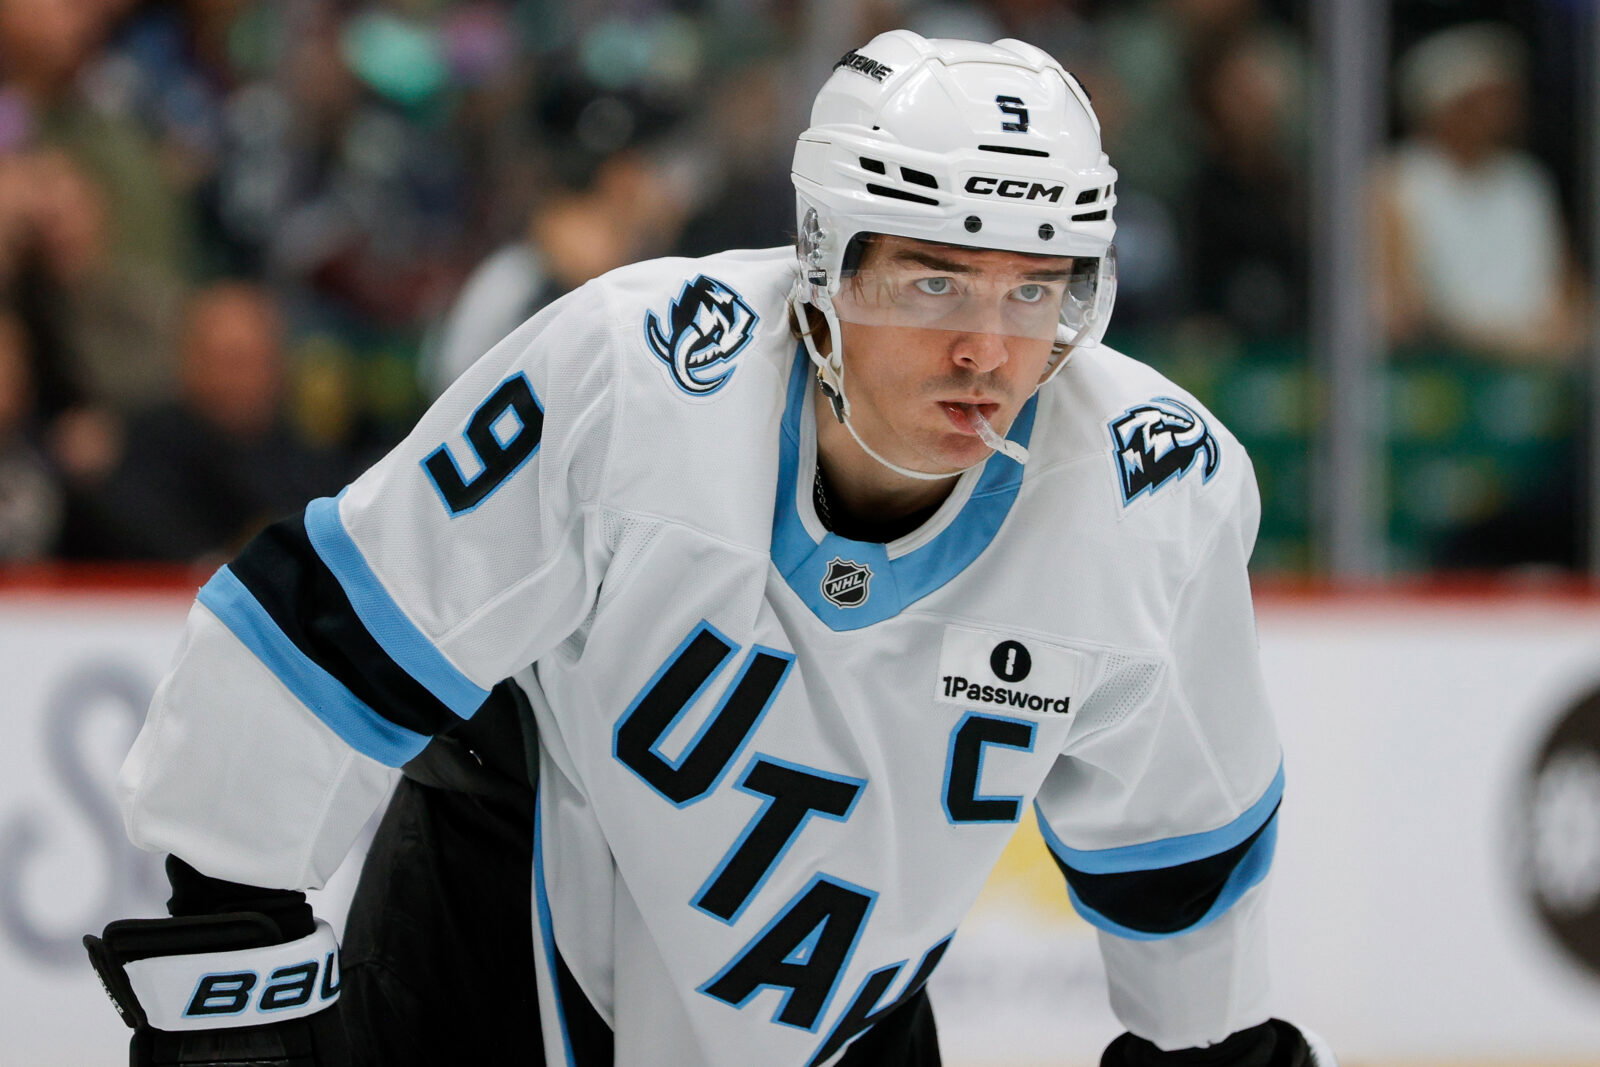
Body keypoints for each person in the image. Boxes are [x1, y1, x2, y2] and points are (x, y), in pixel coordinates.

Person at [85, 30, 1335, 1067]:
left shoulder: (1151, 490)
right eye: (933, 283)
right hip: (510, 934)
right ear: (824, 263)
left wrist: (1206, 1043)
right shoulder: (634, 376)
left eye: (1034, 288)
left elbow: (1185, 849)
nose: (988, 351)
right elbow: (330, 628)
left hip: (843, 1013)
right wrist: (232, 942)